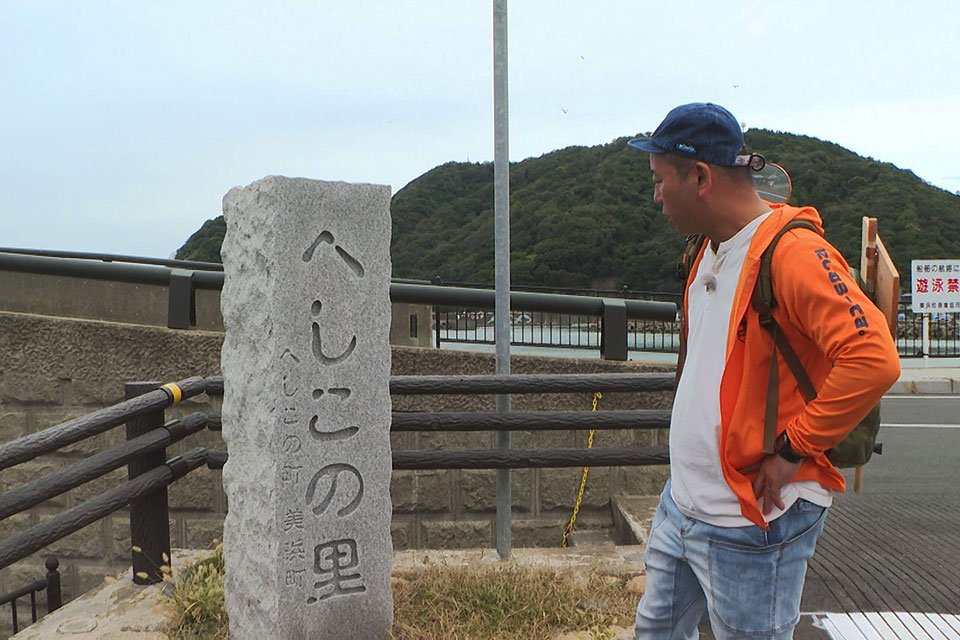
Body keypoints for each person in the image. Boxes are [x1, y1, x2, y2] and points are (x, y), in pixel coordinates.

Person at [627, 103, 900, 639]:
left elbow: (874, 358)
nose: (656, 195)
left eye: (660, 181)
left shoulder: (793, 252)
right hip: (683, 505)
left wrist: (794, 449)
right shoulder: (706, 249)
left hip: (755, 521)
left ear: (700, 177)